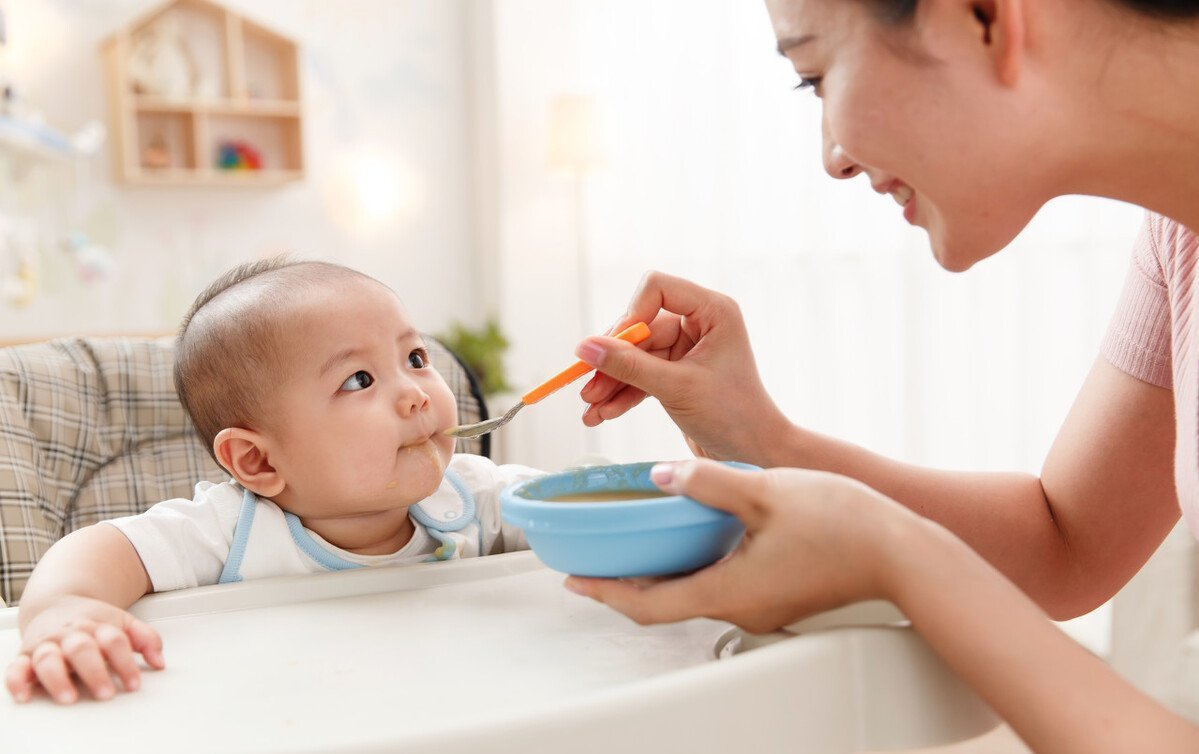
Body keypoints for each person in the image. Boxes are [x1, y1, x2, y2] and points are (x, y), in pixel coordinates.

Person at [563, 0, 1199, 751]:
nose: (831, 155)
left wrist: (896, 554)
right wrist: (755, 433)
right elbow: (1066, 546)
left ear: (983, 17)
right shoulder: (1176, 233)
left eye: (814, 75)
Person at [4, 258, 542, 705]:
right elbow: (102, 548)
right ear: (258, 462)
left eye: (415, 358)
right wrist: (64, 608)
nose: (416, 393)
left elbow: (580, 507)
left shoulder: (471, 493)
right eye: (359, 379)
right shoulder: (230, 531)